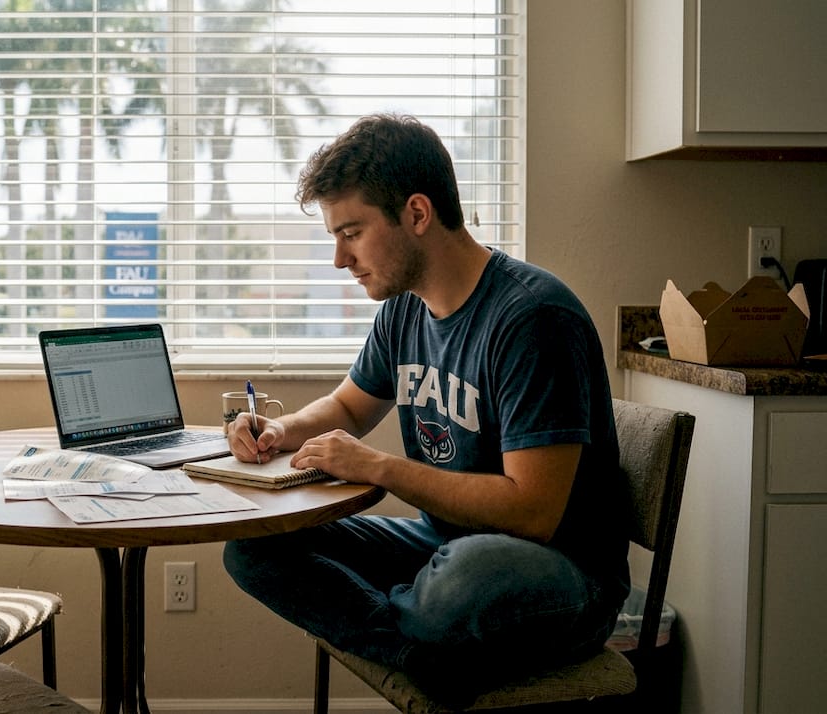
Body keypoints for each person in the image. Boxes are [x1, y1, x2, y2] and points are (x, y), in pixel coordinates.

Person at [222, 113, 629, 705]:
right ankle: (423, 651)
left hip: (558, 576)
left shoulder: (533, 319)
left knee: (461, 580)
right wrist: (278, 429)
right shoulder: (405, 309)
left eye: (352, 232)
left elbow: (534, 511)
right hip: (442, 550)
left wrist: (379, 468)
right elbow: (348, 407)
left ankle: (426, 629)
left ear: (417, 213)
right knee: (255, 547)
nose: (340, 258)